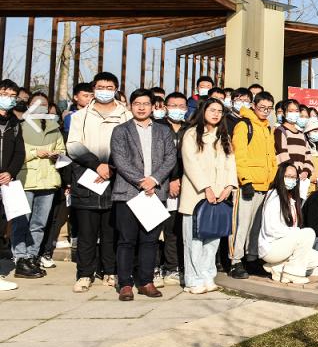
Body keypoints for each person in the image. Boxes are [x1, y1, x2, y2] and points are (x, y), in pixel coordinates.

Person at [108, 88, 177, 301]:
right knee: (126, 240)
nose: (141, 107)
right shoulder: (121, 131)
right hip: (128, 193)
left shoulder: (164, 131)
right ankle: (125, 283)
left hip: (154, 192)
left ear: (153, 106)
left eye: (146, 103)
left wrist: (154, 180)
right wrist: (141, 181)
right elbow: (120, 160)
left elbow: (170, 158)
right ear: (130, 106)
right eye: (137, 103)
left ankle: (146, 281)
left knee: (150, 240)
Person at [66, 72, 130, 292]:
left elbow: (130, 147)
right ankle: (85, 274)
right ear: (94, 89)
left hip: (116, 178)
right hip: (87, 179)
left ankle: (110, 271)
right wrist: (96, 165)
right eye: (100, 87)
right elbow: (73, 146)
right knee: (87, 232)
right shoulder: (80, 116)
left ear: (116, 89)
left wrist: (111, 166)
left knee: (112, 230)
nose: (105, 91)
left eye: (109, 87)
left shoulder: (126, 115)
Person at [180, 97, 238, 294]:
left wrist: (229, 186)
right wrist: (206, 188)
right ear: (203, 111)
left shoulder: (223, 136)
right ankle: (193, 280)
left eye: (219, 111)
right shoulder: (192, 134)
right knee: (194, 240)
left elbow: (231, 163)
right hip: (197, 195)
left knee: (213, 239)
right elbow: (191, 164)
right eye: (212, 110)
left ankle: (207, 275)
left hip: (219, 195)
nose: (216, 114)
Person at [15, 91, 64, 279]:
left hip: (48, 180)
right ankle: (20, 257)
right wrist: (37, 152)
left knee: (39, 223)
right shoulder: (20, 127)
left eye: (43, 104)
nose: (40, 107)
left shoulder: (54, 128)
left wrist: (57, 155)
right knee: (22, 222)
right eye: (36, 104)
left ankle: (32, 256)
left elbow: (62, 150)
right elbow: (15, 154)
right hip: (26, 180)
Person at [230, 90, 277, 279]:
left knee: (256, 225)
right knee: (241, 225)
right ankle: (235, 261)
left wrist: (273, 179)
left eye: (269, 108)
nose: (265, 111)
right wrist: (245, 180)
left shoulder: (267, 128)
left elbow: (271, 157)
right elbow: (239, 155)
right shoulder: (244, 125)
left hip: (265, 185)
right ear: (253, 106)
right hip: (248, 185)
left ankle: (251, 258)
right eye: (262, 107)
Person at [259, 162, 318, 284]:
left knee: (316, 258)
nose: (291, 180)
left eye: (294, 177)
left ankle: (277, 268)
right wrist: (296, 233)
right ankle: (292, 273)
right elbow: (271, 229)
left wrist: (295, 234)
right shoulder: (274, 196)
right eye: (288, 176)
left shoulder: (292, 199)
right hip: (272, 247)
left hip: (285, 245)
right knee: (308, 233)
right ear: (280, 176)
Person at [275, 99, 313, 180]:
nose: (294, 113)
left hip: (301, 178)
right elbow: (282, 154)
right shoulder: (280, 131)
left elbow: (308, 155)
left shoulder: (302, 134)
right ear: (284, 113)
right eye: (290, 111)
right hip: (287, 176)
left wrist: (306, 171)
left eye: (296, 111)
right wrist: (295, 172)